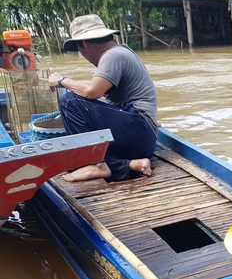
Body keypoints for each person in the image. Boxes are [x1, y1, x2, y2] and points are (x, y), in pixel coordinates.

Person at [48, 14, 158, 182]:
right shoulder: (122, 52)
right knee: (72, 161)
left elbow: (92, 91)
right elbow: (94, 84)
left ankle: (95, 163)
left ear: (84, 44)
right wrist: (69, 83)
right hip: (142, 139)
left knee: (69, 101)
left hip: (138, 130)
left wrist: (61, 81)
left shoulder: (112, 55)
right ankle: (130, 165)